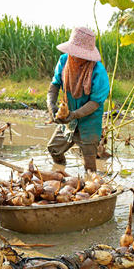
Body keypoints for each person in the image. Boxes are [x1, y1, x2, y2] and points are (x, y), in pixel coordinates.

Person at [46, 27, 110, 172]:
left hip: (89, 122)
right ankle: (60, 174)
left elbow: (95, 103)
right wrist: (51, 106)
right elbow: (54, 86)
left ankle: (92, 186)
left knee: (89, 164)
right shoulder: (64, 61)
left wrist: (73, 115)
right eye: (73, 52)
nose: (74, 56)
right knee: (54, 149)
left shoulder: (97, 71)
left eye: (79, 54)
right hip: (68, 120)